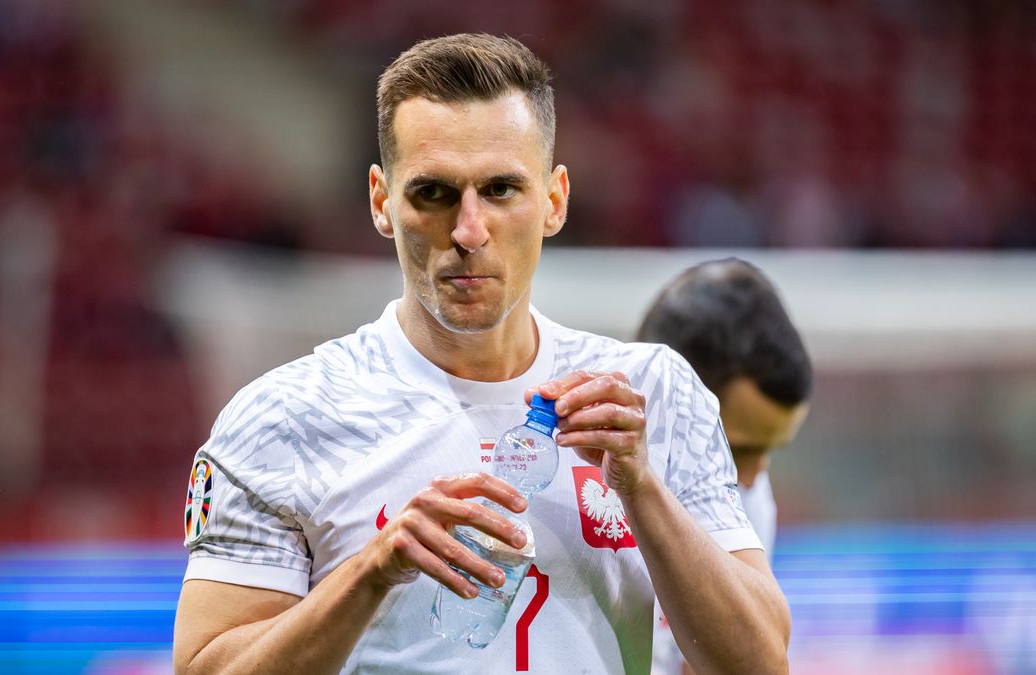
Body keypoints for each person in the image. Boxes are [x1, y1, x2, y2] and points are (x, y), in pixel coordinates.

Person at [172, 34, 790, 674]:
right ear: (383, 201)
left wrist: (642, 488)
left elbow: (758, 664)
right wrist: (370, 572)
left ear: (554, 200)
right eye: (434, 193)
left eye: (500, 190)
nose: (469, 231)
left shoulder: (654, 395)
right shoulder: (283, 419)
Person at [637, 258, 812, 675]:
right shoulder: (574, 480)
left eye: (771, 450)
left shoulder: (747, 502)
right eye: (737, 450)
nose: (753, 477)